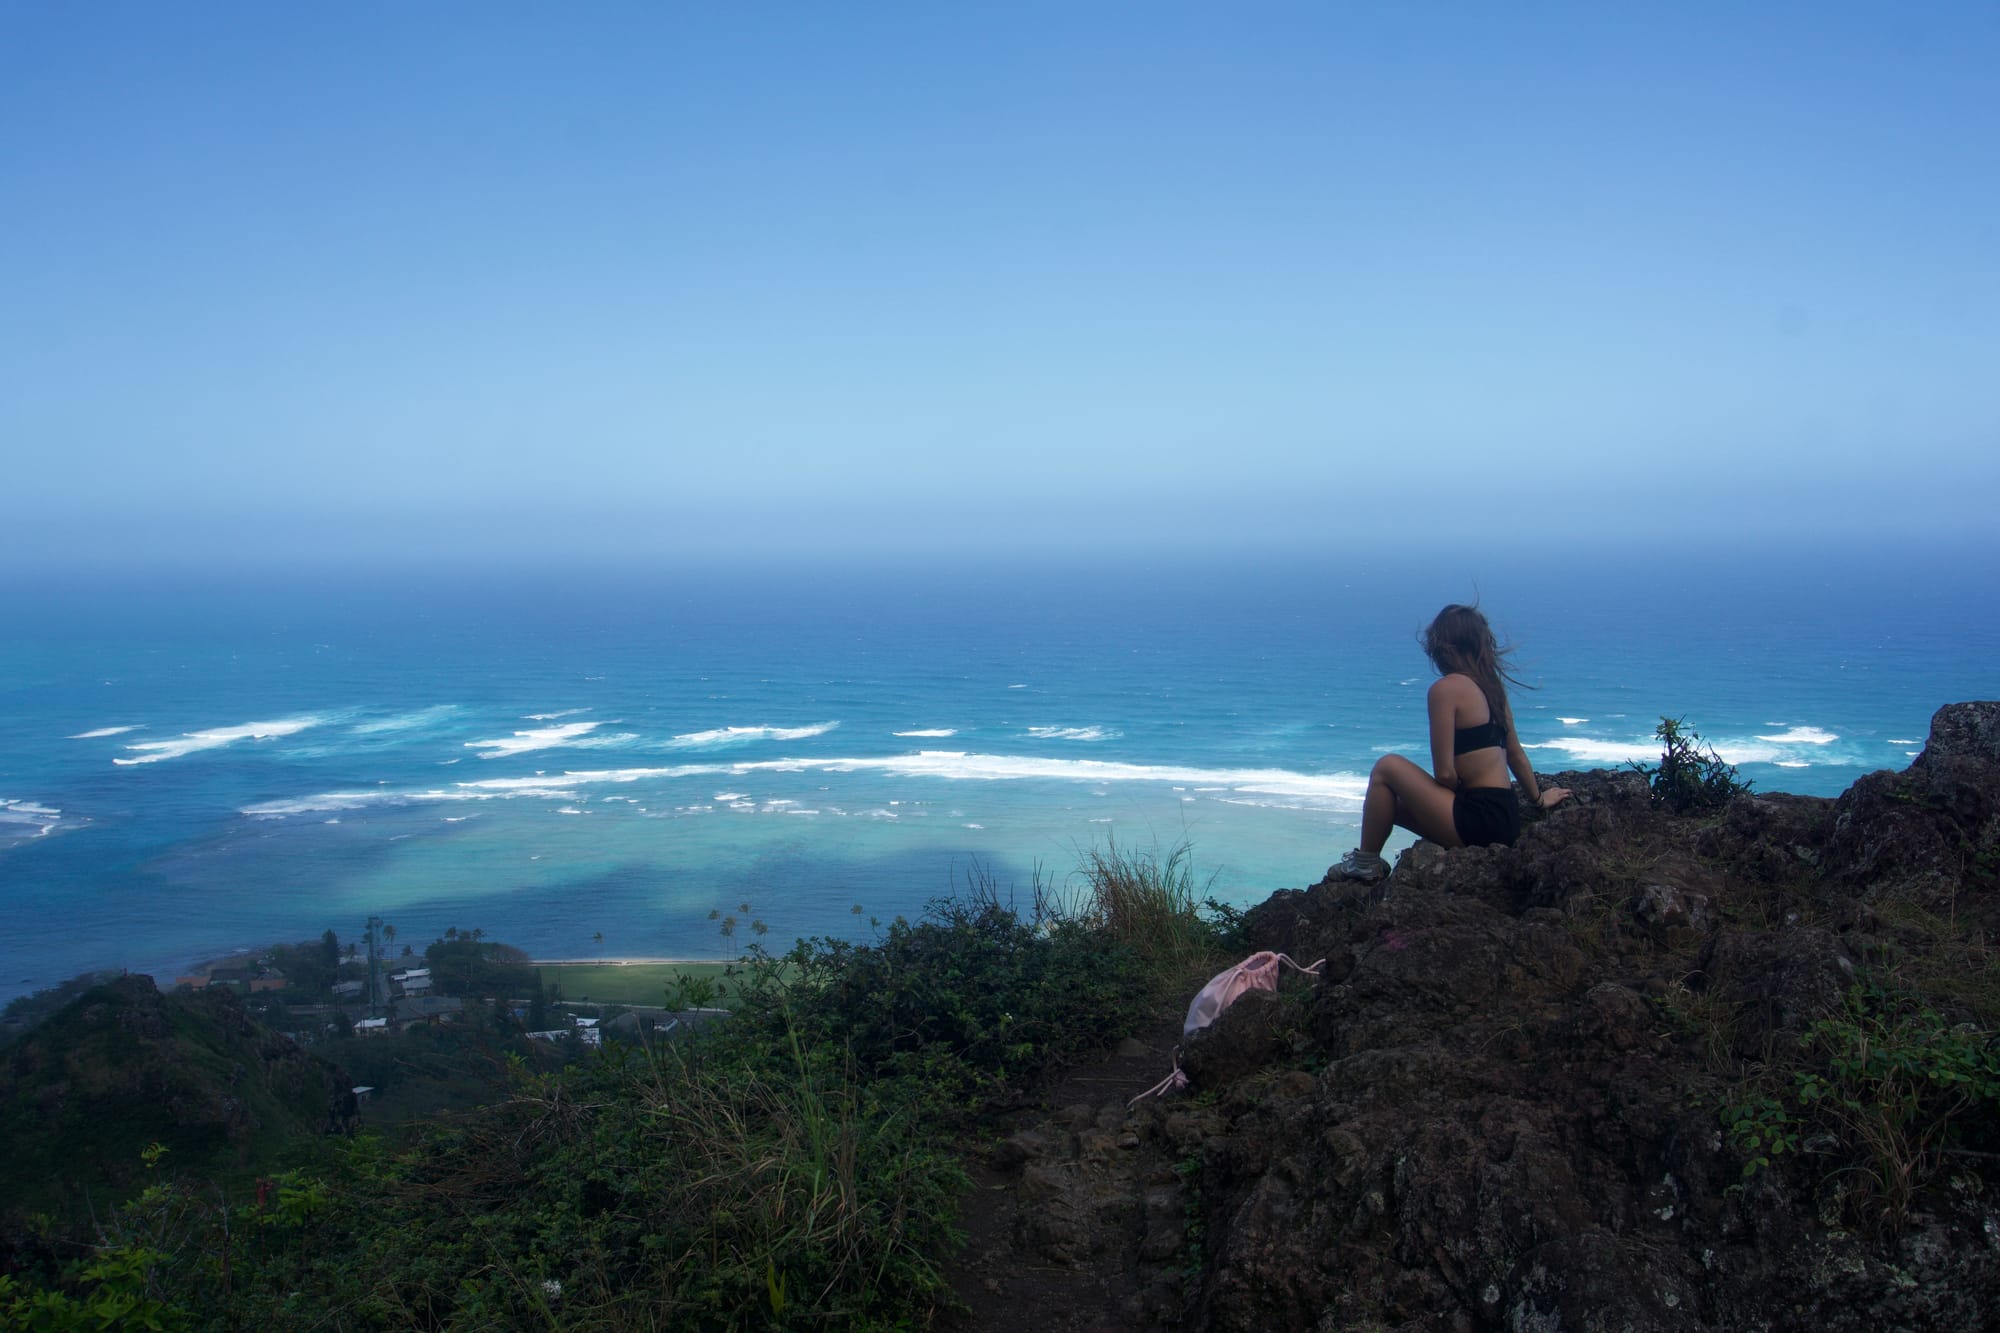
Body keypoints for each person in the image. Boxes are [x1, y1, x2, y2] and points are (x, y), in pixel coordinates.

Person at [1331, 603, 1570, 883]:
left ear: (1443, 648)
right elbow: (1515, 754)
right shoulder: (1493, 688)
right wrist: (1539, 800)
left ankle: (1365, 864)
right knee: (1385, 807)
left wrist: (1443, 796)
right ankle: (1366, 861)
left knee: (1387, 767)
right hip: (1505, 819)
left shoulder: (1445, 689)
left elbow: (1445, 773)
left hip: (1476, 820)